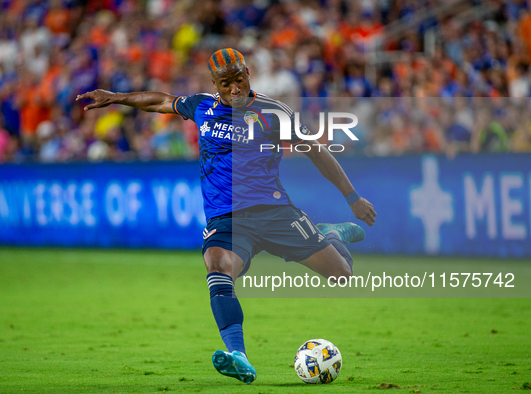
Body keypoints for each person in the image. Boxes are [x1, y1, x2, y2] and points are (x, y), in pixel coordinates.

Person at [77, 48, 377, 384]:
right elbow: (160, 101)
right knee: (218, 268)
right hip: (227, 219)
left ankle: (330, 234)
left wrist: (352, 197)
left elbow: (317, 152)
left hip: (275, 212)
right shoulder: (202, 107)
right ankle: (239, 356)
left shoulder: (273, 113)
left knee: (341, 275)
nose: (234, 89)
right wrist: (116, 98)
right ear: (214, 84)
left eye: (238, 79)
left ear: (248, 73)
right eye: (225, 83)